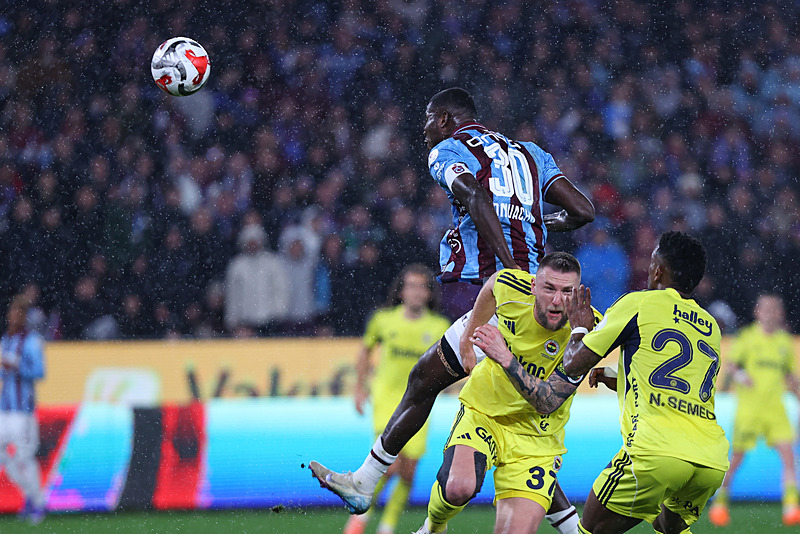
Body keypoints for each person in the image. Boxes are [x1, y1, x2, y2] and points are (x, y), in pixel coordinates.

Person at [311, 87, 594, 534]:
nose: (423, 131)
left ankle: (366, 483)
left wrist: (512, 268)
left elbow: (478, 198)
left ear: (444, 119)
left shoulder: (447, 149)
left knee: (424, 381)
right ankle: (571, 527)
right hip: (547, 301)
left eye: (427, 120)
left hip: (514, 297)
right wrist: (538, 223)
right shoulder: (529, 153)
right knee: (518, 423)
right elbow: (583, 210)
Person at [412, 253, 602, 534]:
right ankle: (432, 528)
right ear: (534, 285)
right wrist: (467, 339)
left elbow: (548, 402)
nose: (558, 300)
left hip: (537, 438)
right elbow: (491, 285)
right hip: (484, 412)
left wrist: (506, 357)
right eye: (549, 288)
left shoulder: (588, 332)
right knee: (457, 488)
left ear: (578, 294)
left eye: (567, 292)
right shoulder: (512, 287)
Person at [561, 231, 730, 534]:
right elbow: (679, 387)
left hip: (655, 451)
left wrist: (579, 329)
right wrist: (618, 380)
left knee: (589, 529)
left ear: (658, 270)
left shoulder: (639, 304)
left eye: (652, 260)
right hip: (710, 459)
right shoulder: (710, 326)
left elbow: (573, 364)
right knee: (670, 527)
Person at [344, 264, 450, 534]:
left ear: (428, 293)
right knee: (390, 464)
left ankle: (386, 524)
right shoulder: (383, 320)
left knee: (408, 471)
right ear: (402, 291)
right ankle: (362, 518)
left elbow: (451, 361)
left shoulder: (439, 326)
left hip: (421, 403)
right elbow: (365, 351)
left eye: (421, 287)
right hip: (387, 400)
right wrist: (359, 388)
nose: (415, 292)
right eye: (410, 286)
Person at [708, 294, 800, 527]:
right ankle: (720, 503)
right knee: (736, 459)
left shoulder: (783, 342)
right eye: (766, 309)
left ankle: (791, 507)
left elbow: (790, 376)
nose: (771, 313)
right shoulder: (747, 338)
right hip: (749, 410)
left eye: (775, 309)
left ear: (780, 313)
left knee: (789, 456)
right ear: (757, 312)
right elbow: (730, 365)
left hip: (775, 409)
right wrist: (740, 375)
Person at [0, 295, 46, 523]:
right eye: (10, 312)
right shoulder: (5, 340)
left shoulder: (32, 340)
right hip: (4, 410)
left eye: (16, 313)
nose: (11, 316)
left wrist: (15, 365)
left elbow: (39, 371)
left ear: (23, 316)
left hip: (23, 412)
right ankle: (31, 496)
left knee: (23, 459)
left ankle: (37, 502)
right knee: (6, 459)